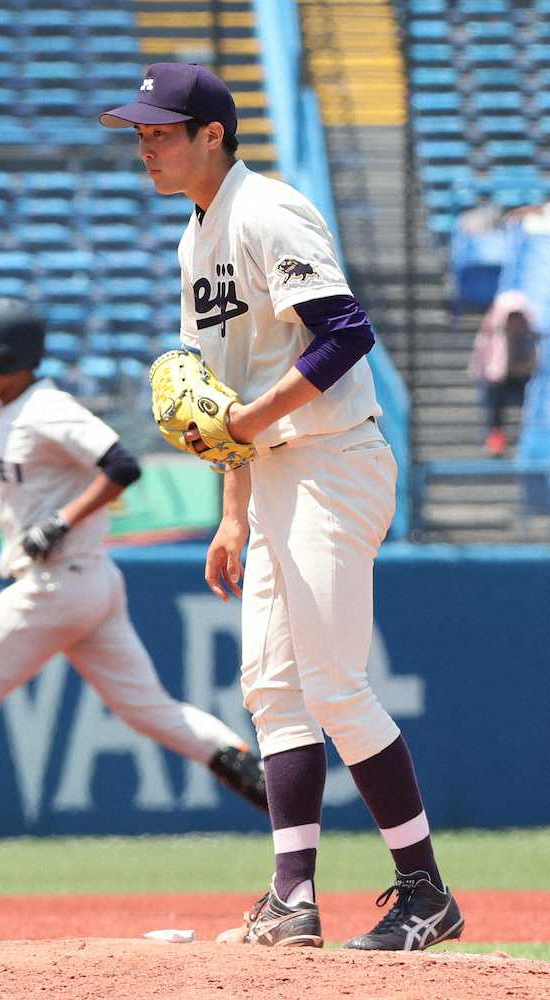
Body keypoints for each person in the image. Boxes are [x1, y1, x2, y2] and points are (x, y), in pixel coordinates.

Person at [100, 64, 464, 951]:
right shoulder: (195, 238)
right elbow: (222, 392)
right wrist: (233, 507)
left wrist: (251, 423)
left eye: (160, 129)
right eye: (139, 130)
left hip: (331, 461)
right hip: (271, 475)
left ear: (212, 134)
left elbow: (345, 331)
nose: (144, 144)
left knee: (334, 684)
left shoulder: (268, 211)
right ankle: (291, 900)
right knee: (271, 687)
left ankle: (425, 892)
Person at [0, 297, 267, 895]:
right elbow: (32, 476)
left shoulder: (46, 407)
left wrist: (59, 522)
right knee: (149, 710)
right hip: (89, 584)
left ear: (6, 357)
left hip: (56, 582)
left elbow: (122, 464)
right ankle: (245, 762)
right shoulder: (15, 410)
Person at [469, 289, 538, 457]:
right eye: (511, 317)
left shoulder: (529, 339)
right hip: (500, 385)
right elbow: (484, 368)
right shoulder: (491, 338)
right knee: (493, 393)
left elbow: (532, 366)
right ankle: (496, 438)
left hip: (522, 383)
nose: (514, 322)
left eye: (517, 317)